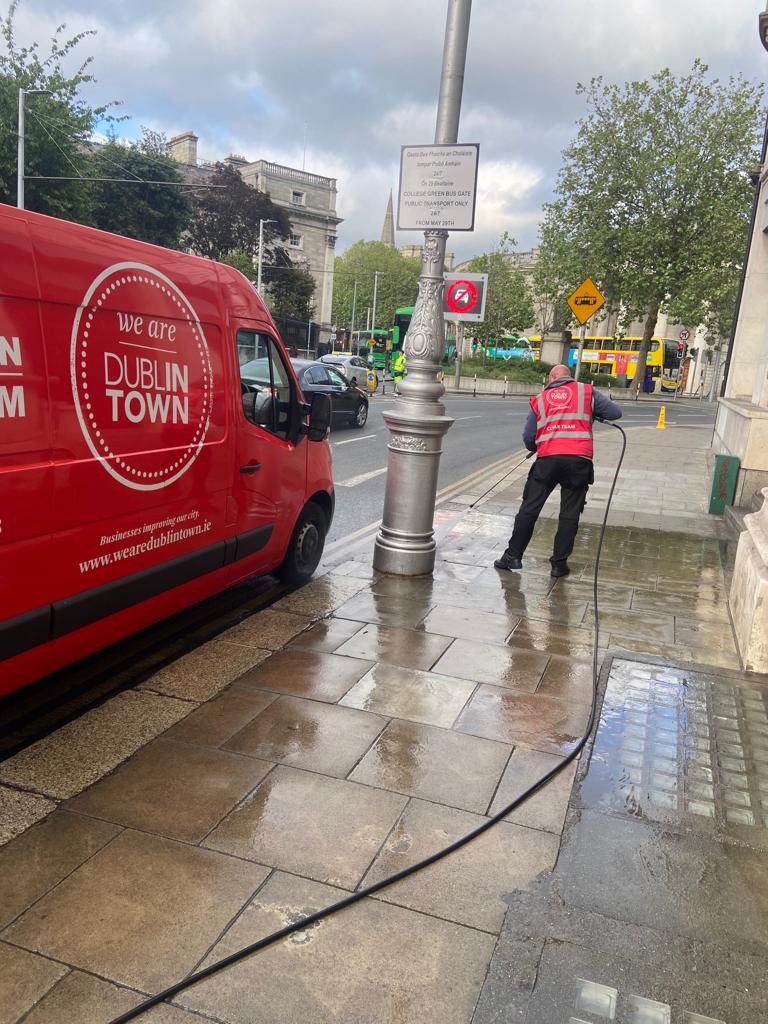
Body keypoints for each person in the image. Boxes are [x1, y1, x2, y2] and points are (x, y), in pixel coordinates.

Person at [494, 364, 622, 578]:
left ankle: (512, 556)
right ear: (568, 377)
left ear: (551, 377)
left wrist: (537, 446)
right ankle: (558, 565)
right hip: (579, 460)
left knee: (530, 508)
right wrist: (593, 413)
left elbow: (528, 436)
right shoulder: (586, 391)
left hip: (548, 459)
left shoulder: (541, 399)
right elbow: (615, 413)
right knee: (570, 513)